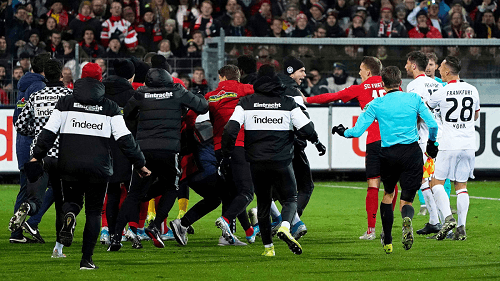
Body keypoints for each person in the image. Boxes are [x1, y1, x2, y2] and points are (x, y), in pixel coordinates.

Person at [27, 62, 150, 269]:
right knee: (93, 212)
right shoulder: (109, 107)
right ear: (100, 80)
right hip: (98, 168)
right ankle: (86, 260)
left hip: (69, 166)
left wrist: (36, 157)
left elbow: (47, 134)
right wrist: (140, 164)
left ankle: (70, 215)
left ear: (80, 78)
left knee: (72, 202)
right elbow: (125, 139)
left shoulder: (65, 103)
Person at [221, 65, 325, 256]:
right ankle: (285, 226)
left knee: (263, 202)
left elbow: (230, 130)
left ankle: (268, 248)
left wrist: (226, 155)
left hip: (256, 162)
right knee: (291, 197)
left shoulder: (245, 102)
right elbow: (307, 128)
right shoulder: (287, 102)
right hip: (282, 161)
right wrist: (317, 142)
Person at [333, 66, 438, 254]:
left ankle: (388, 240)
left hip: (388, 154)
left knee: (388, 195)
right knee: (407, 200)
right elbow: (432, 124)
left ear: (383, 84)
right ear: (400, 83)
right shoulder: (413, 99)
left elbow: (357, 131)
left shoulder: (376, 104)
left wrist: (343, 131)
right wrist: (432, 144)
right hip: (411, 152)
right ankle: (407, 219)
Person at [109, 67, 208, 251]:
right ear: (168, 79)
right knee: (172, 187)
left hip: (143, 151)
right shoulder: (177, 91)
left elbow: (126, 115)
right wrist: (199, 96)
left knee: (134, 194)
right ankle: (155, 225)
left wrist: (140, 125)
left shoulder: (141, 94)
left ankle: (116, 237)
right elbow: (202, 107)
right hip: (169, 150)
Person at [305, 56, 399, 240]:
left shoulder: (361, 88)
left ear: (369, 72)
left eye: (361, 69)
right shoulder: (394, 86)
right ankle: (386, 228)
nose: (359, 73)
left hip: (374, 142)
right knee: (391, 187)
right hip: (394, 142)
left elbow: (333, 97)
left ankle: (371, 230)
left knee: (373, 184)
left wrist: (307, 98)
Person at [11, 59, 72, 258]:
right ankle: (58, 248)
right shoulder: (69, 95)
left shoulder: (36, 96)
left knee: (35, 196)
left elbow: (20, 124)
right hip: (63, 155)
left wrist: (37, 130)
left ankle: (29, 207)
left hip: (39, 154)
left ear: (45, 73)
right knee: (63, 201)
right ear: (61, 75)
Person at [428, 56, 480, 241]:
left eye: (441, 67)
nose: (439, 70)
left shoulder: (442, 90)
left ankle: (448, 219)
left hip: (449, 144)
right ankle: (461, 227)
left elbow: (427, 110)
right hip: (468, 144)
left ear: (448, 72)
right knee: (461, 186)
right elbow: (475, 116)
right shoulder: (472, 89)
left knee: (436, 183)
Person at [277, 56, 326, 240]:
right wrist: (315, 140)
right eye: (301, 71)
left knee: (277, 187)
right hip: (293, 145)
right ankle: (289, 223)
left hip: (271, 146)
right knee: (305, 186)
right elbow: (303, 123)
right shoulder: (294, 92)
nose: (304, 75)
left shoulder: (273, 89)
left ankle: (268, 218)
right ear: (290, 71)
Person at [9, 53, 50, 244]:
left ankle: (23, 228)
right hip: (33, 144)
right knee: (34, 188)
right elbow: (36, 119)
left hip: (21, 142)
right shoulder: (39, 86)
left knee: (26, 187)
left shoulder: (24, 84)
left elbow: (18, 118)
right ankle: (22, 229)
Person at [102, 58, 142, 248]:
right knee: (132, 192)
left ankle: (110, 232)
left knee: (112, 192)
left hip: (104, 149)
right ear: (131, 76)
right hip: (127, 149)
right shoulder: (133, 95)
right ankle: (129, 231)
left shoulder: (101, 92)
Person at [404, 51, 444, 236]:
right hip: (439, 137)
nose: (405, 67)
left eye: (407, 63)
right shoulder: (437, 84)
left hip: (424, 139)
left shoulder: (414, 85)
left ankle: (443, 223)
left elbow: (416, 112)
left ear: (413, 65)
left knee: (428, 181)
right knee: (430, 180)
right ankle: (435, 221)